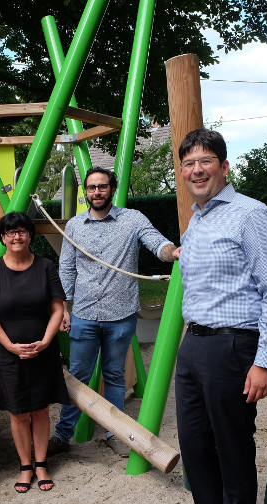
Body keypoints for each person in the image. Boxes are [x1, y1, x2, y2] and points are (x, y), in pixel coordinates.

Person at [172, 129, 267, 504]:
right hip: (194, 345)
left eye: (205, 161)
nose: (196, 170)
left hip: (233, 346)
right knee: (196, 449)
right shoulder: (197, 219)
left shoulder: (250, 215)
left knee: (231, 450)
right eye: (188, 163)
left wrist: (263, 361)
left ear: (224, 166)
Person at [49, 167, 177, 457]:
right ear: (87, 192)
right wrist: (64, 308)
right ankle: (63, 434)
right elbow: (66, 268)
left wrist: (173, 252)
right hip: (84, 314)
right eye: (92, 187)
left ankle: (114, 433)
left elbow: (157, 243)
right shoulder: (75, 226)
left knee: (115, 376)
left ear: (112, 188)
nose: (97, 192)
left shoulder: (132, 219)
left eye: (102, 187)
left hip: (121, 316)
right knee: (78, 376)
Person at [0, 212, 69, 493]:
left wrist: (44, 341)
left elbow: (58, 308)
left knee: (41, 409)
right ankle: (25, 466)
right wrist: (9, 345)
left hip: (43, 349)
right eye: (10, 232)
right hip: (8, 352)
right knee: (18, 411)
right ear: (2, 238)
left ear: (30, 235)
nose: (16, 237)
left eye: (21, 231)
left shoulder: (45, 267)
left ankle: (41, 463)